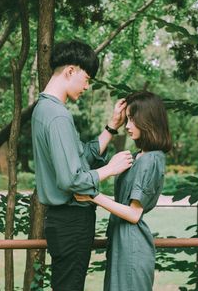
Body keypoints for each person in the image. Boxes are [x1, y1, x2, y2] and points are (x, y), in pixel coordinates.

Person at [31, 39, 133, 291]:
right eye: (87, 79)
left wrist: (111, 126)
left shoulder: (43, 109)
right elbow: (70, 179)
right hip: (71, 221)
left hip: (60, 221)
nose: (87, 86)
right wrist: (110, 169)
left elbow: (76, 160)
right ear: (70, 71)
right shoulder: (57, 115)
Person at [75, 91, 172, 291]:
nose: (127, 126)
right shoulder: (138, 156)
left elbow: (134, 214)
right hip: (121, 244)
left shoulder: (151, 159)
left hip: (132, 248)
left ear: (148, 120)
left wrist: (94, 196)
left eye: (132, 120)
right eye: (127, 119)